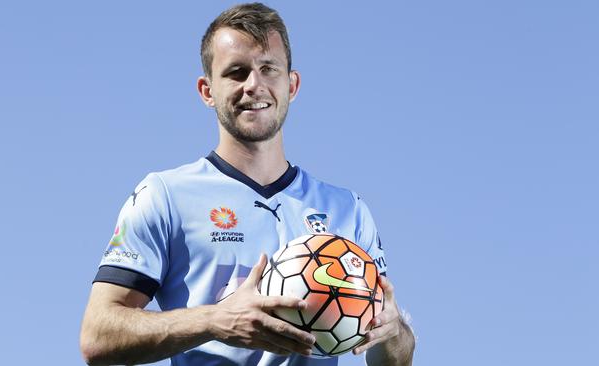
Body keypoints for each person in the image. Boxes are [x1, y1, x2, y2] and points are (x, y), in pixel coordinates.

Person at [80, 3, 415, 365]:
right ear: (207, 90)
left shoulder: (347, 209)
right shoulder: (163, 195)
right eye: (236, 72)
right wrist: (214, 320)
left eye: (268, 69)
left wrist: (394, 333)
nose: (254, 85)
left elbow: (392, 358)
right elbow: (98, 336)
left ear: (292, 84)